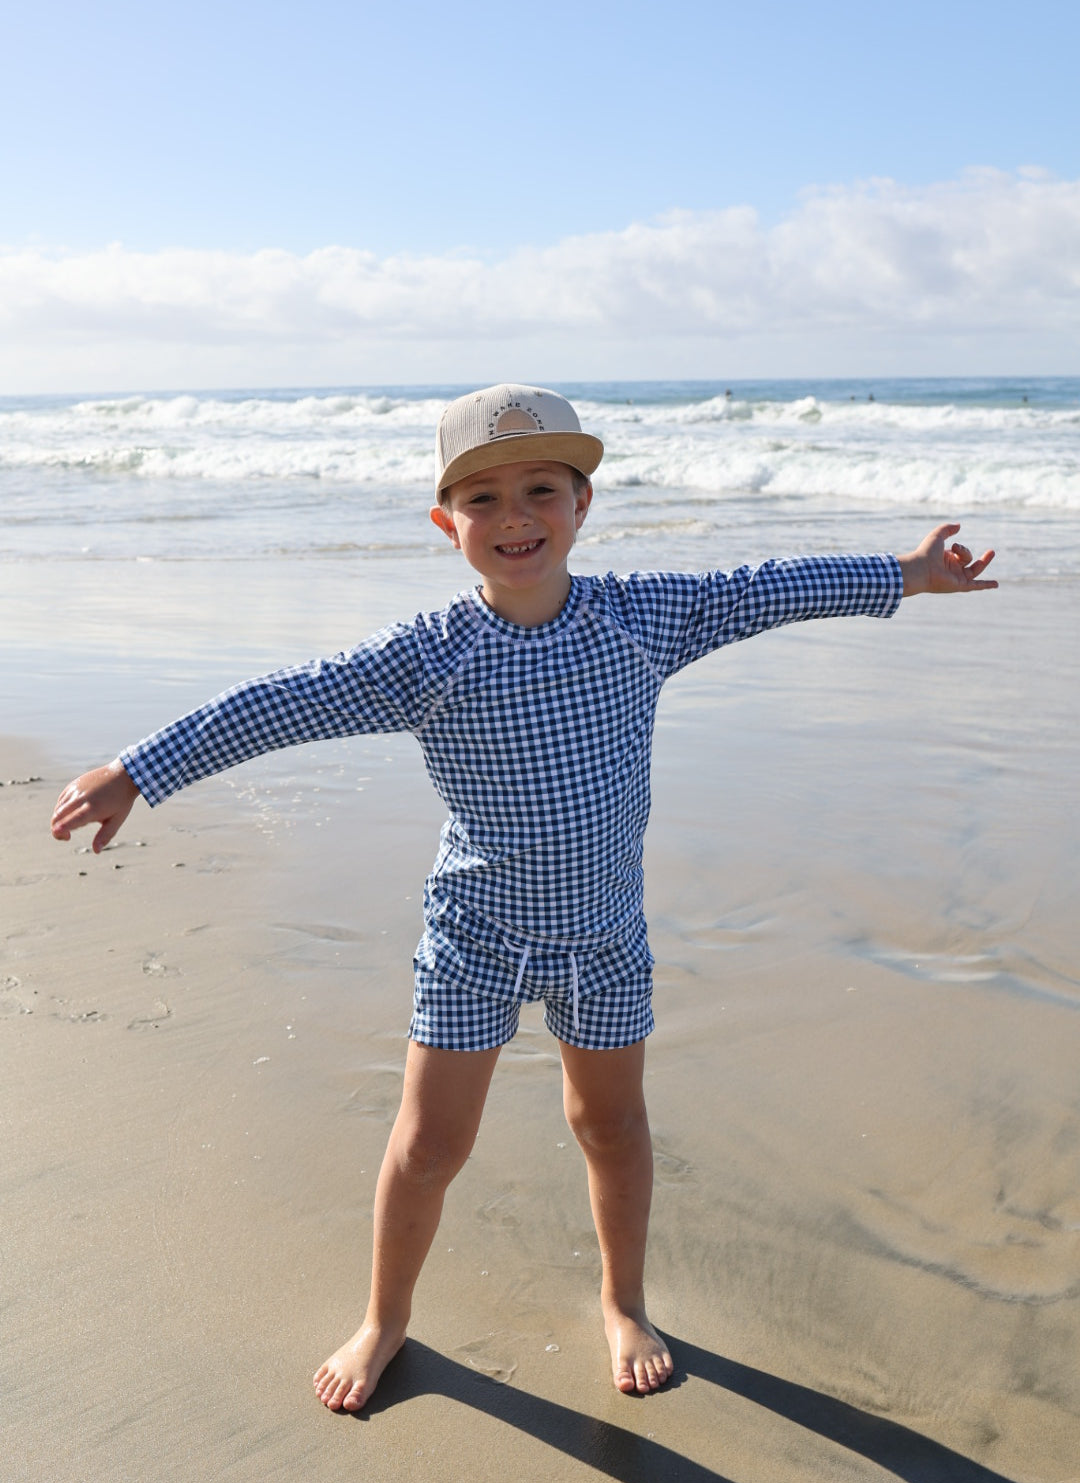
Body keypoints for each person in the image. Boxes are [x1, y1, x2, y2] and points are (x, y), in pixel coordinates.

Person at [50, 384, 998, 1413]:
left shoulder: (643, 618)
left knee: (612, 1127)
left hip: (606, 939)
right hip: (475, 940)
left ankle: (624, 1303)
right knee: (428, 1147)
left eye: (540, 490)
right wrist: (141, 768)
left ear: (582, 505)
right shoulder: (425, 658)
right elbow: (286, 699)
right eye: (483, 498)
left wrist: (904, 574)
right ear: (445, 523)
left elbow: (760, 589)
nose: (514, 517)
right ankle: (385, 1320)